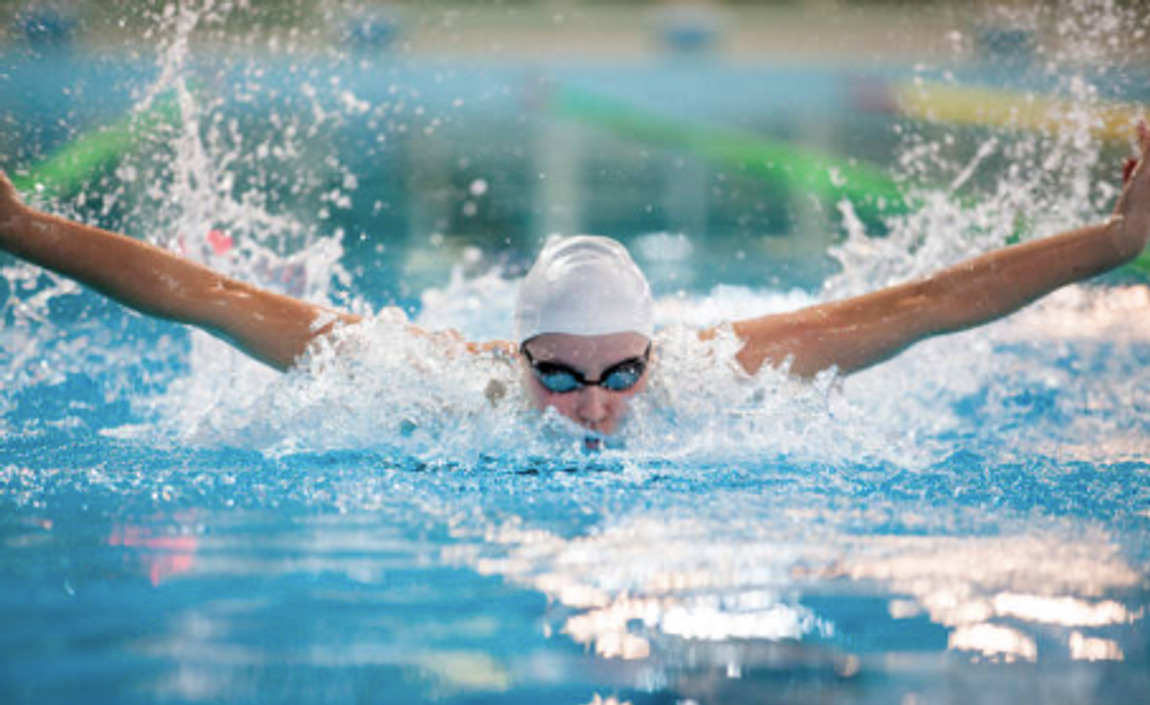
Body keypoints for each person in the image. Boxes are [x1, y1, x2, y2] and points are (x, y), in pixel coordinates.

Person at [1, 122, 1148, 438]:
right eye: (558, 378)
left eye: (617, 375)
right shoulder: (432, 384)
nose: (596, 408)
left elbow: (922, 307)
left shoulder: (712, 375)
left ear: (657, 353)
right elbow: (205, 298)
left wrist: (1112, 243)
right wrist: (24, 229)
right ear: (513, 358)